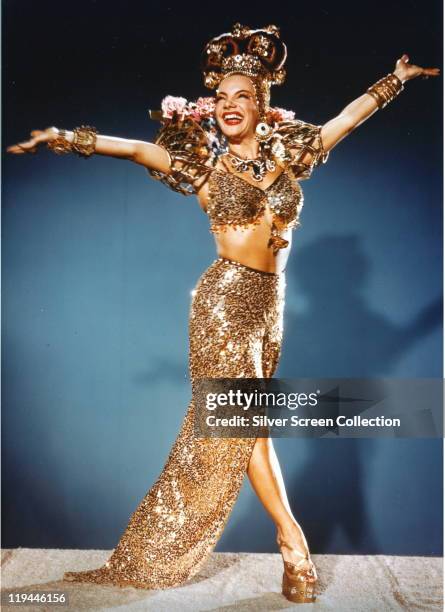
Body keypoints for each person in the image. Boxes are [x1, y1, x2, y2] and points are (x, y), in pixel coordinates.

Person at [7, 22, 439, 605]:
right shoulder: (204, 166)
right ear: (210, 108)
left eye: (243, 97)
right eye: (222, 98)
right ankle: (295, 548)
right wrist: (63, 137)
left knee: (244, 423)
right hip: (225, 302)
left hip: (270, 306)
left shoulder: (291, 157)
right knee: (246, 422)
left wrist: (396, 80)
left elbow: (345, 121)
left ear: (263, 106)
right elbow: (136, 148)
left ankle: (291, 548)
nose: (230, 106)